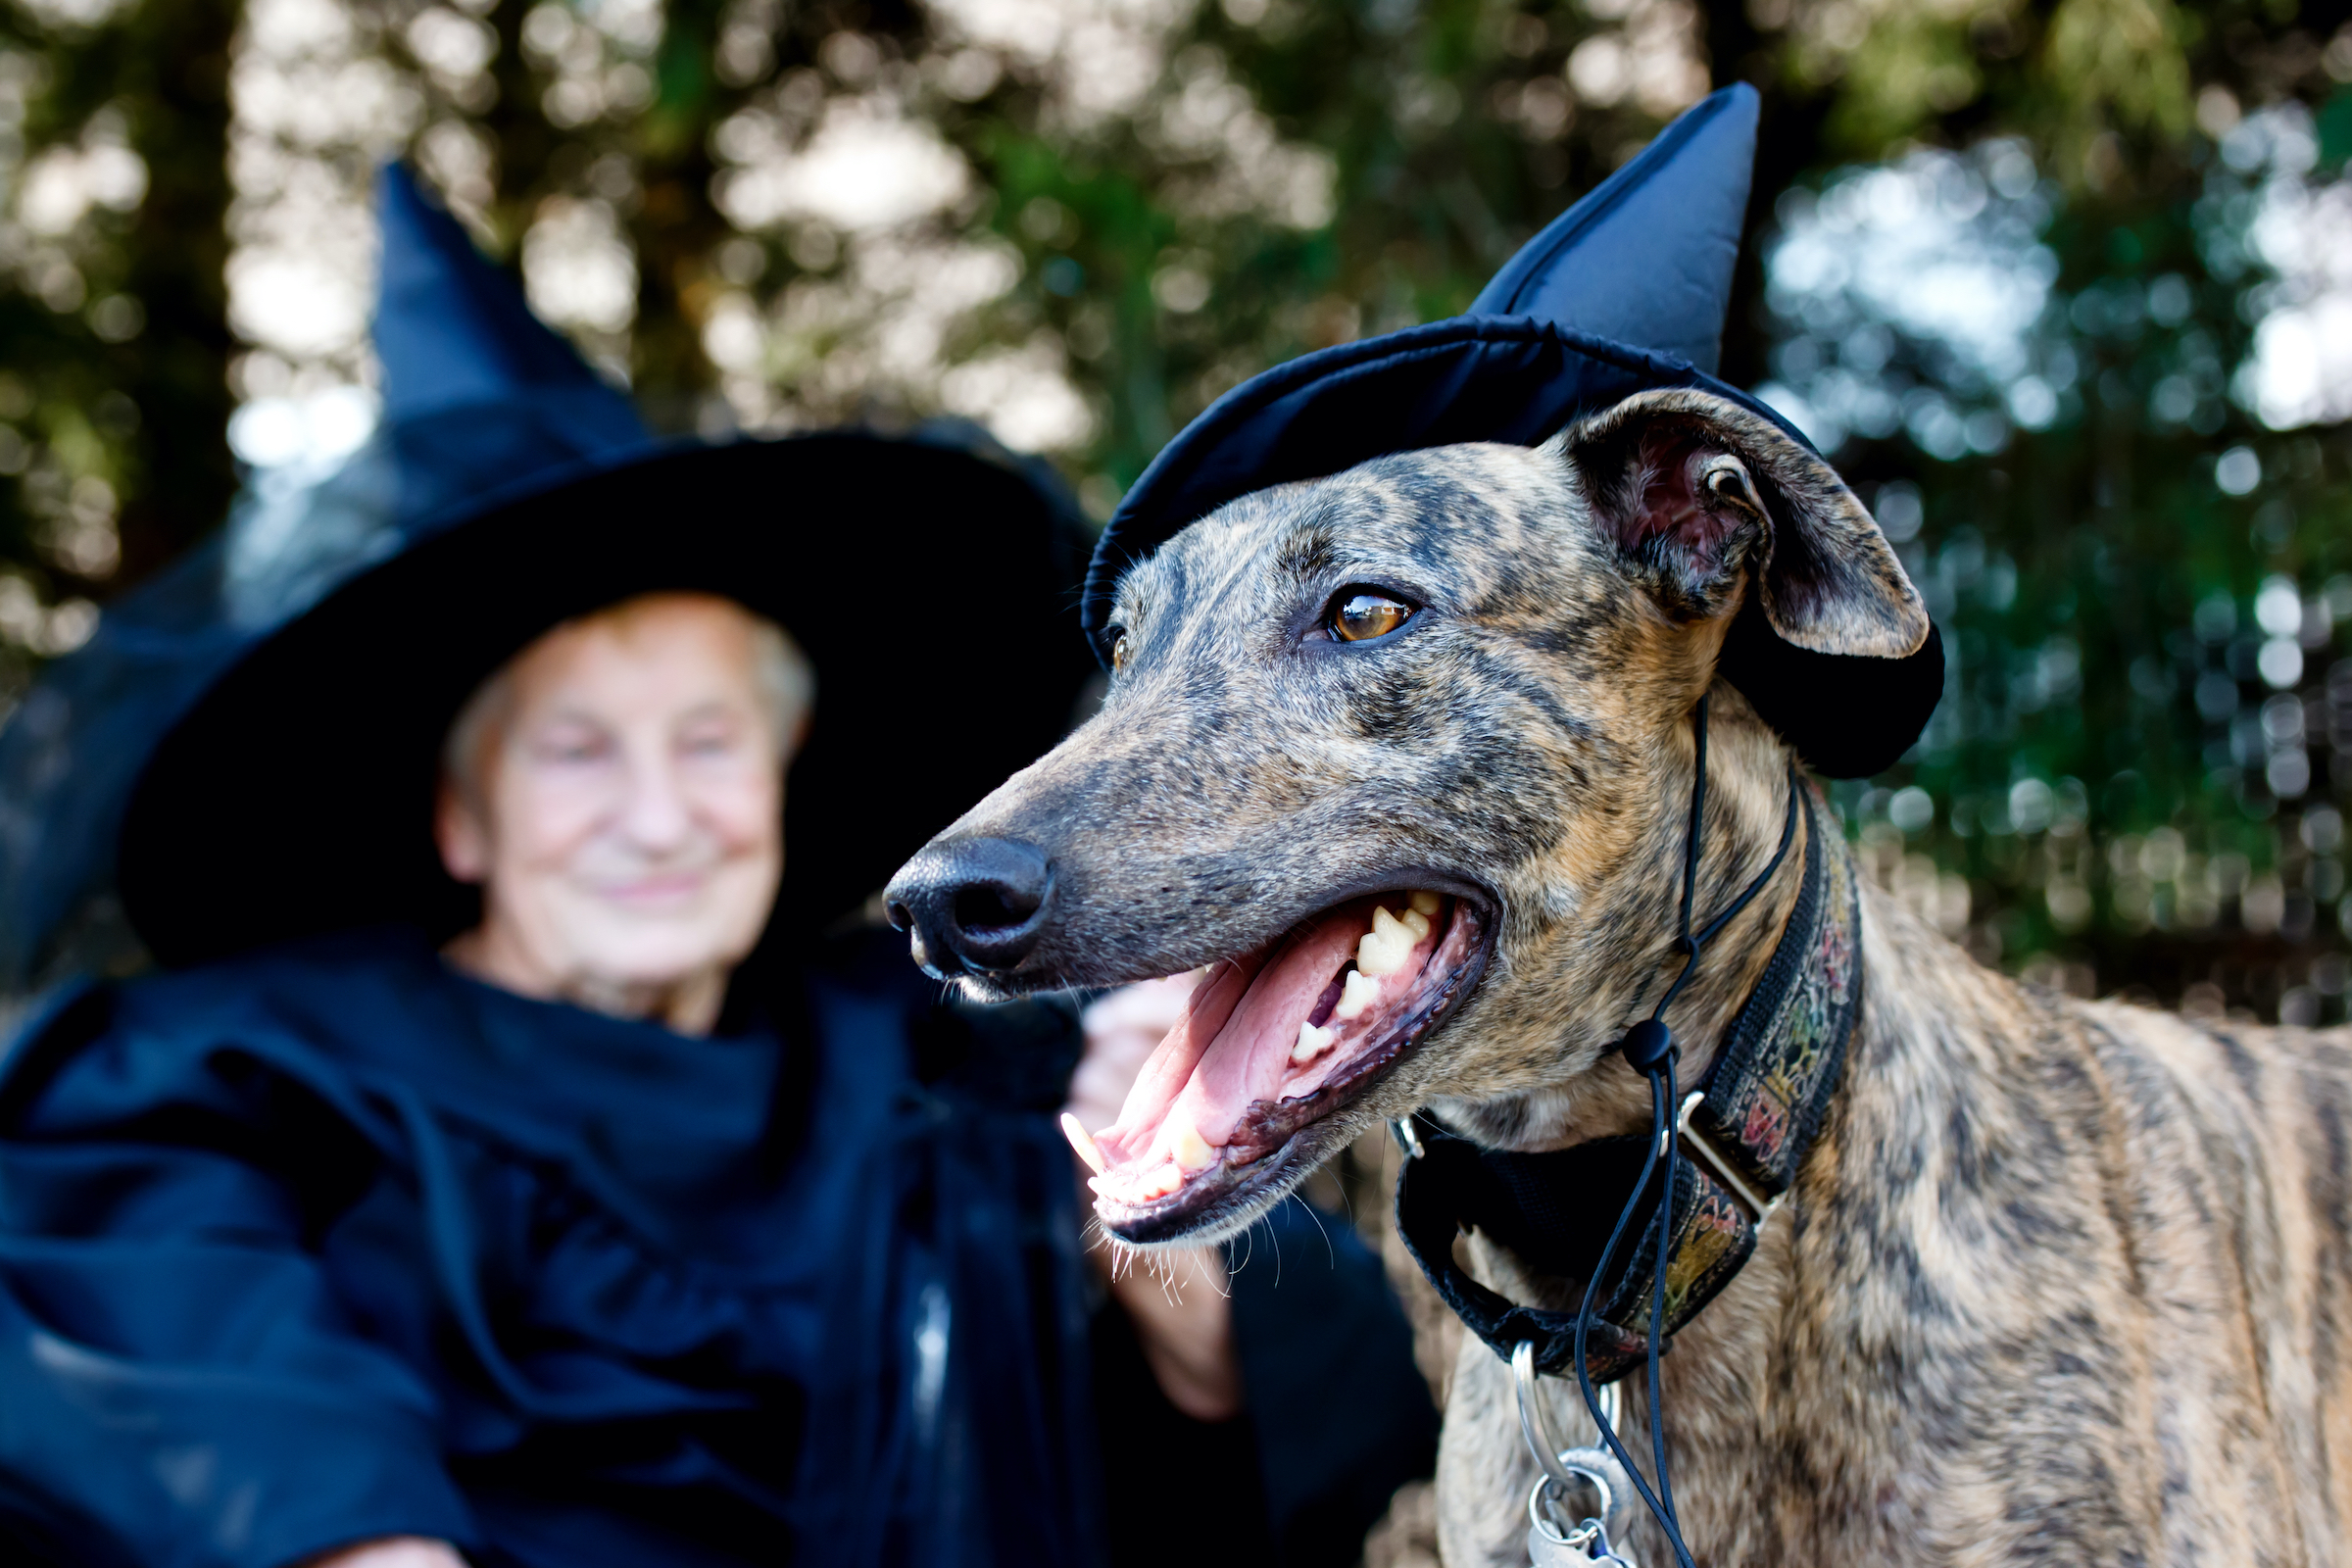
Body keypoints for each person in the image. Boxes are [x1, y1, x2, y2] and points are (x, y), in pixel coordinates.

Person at [0, 172, 1438, 1568]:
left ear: (782, 780)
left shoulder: (950, 1052)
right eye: (574, 752)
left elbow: (1280, 1427)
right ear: (462, 818)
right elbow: (202, 1413)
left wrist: (1156, 1167)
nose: (656, 814)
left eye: (709, 743)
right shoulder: (224, 1074)